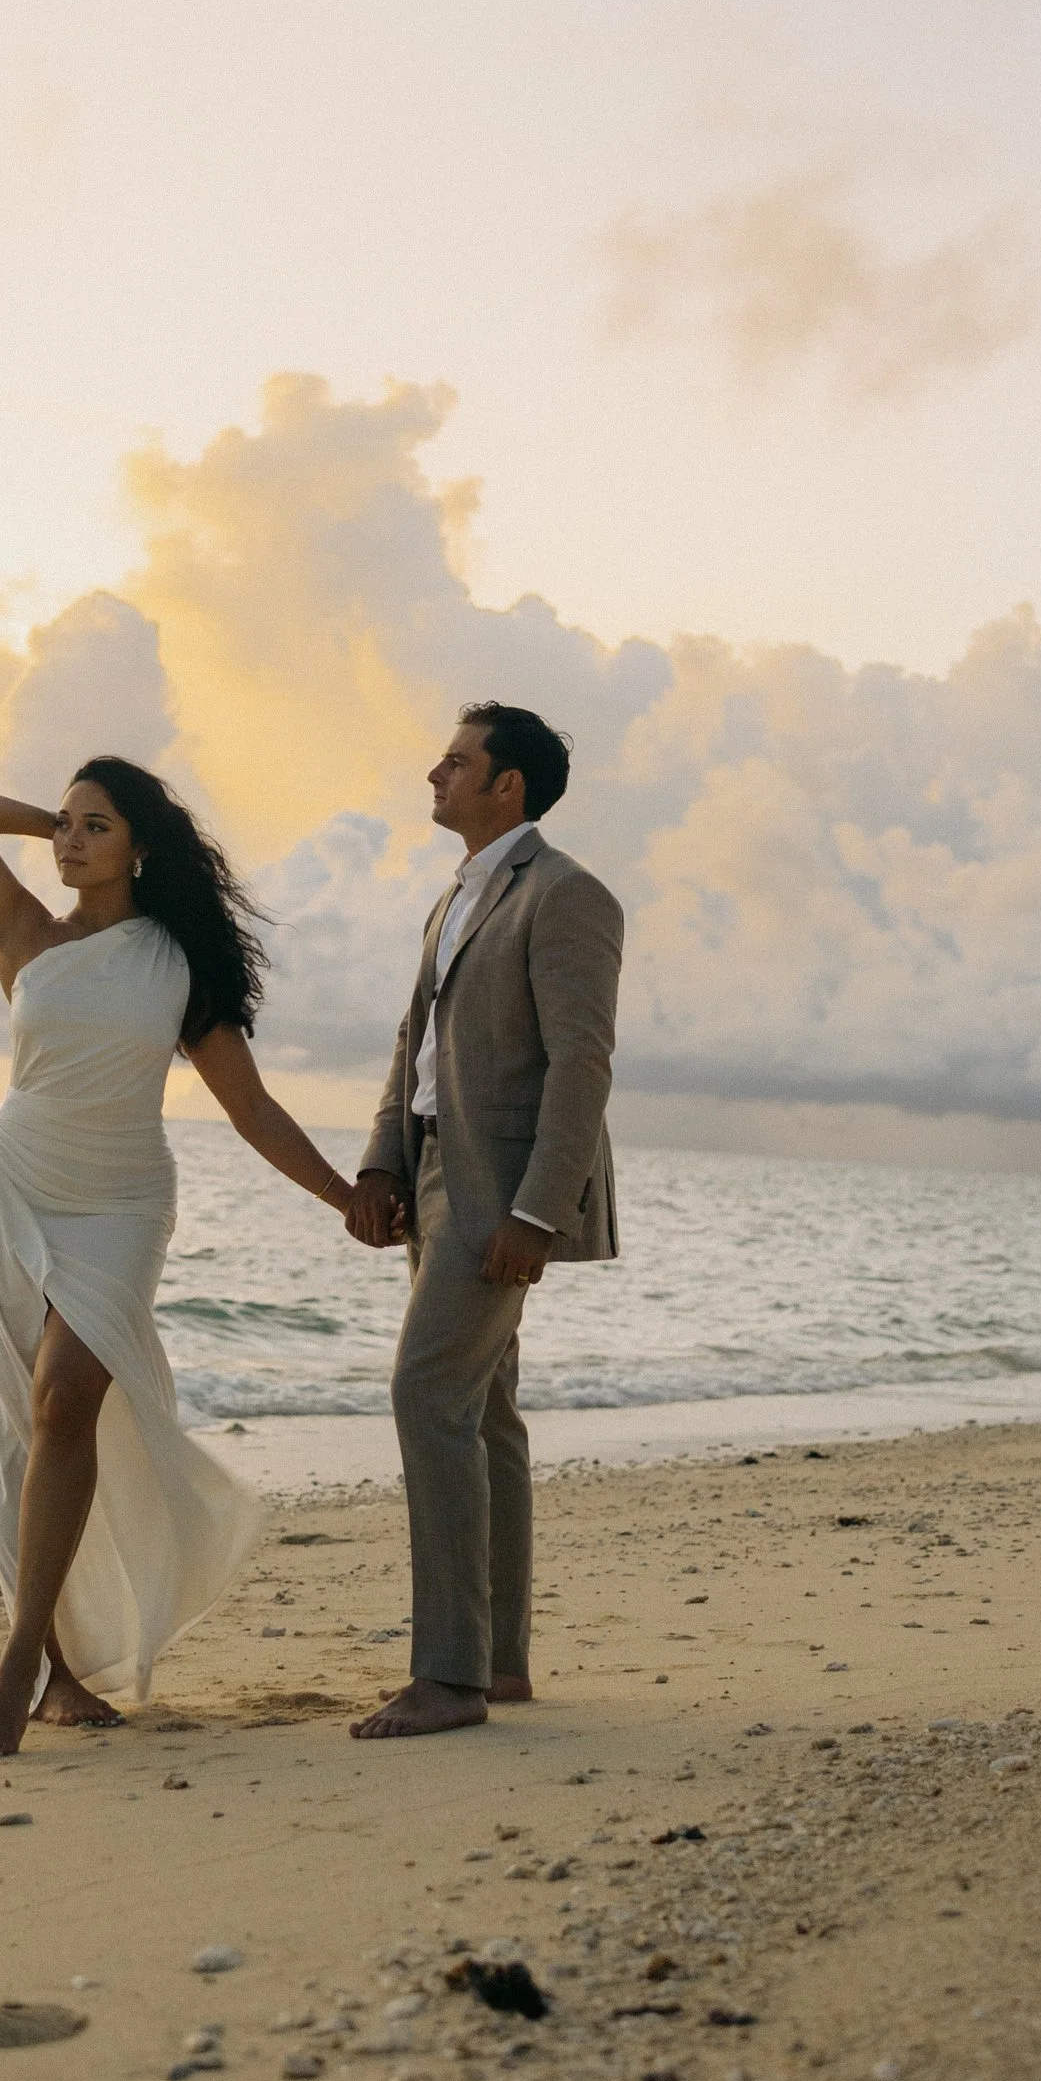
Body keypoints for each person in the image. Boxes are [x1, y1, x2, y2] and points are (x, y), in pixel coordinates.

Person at [0, 757, 361, 1761]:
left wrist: (343, 1197)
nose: (71, 843)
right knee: (19, 1425)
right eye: (65, 827)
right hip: (15, 1184)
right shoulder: (24, 935)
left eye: (95, 827)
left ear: (141, 846)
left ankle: (14, 1665)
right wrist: (48, 817)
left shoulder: (179, 964)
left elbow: (249, 1108)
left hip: (120, 1200)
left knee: (65, 1399)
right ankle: (58, 1677)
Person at [342, 702, 624, 1740]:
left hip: (497, 1193)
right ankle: (497, 1664)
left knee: (426, 1395)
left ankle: (448, 1677)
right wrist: (379, 1160)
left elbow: (581, 1063)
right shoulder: (454, 897)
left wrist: (536, 1213)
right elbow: (411, 1043)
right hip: (428, 1177)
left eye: (455, 762)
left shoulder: (567, 896)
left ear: (507, 785)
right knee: (485, 1411)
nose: (434, 773)